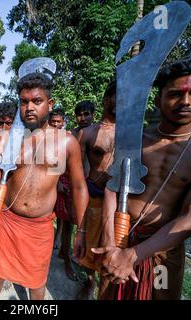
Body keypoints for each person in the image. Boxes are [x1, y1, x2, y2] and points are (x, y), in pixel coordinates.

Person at [94, 56, 191, 300]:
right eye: (174, 94)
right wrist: (113, 245)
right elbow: (112, 187)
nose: (185, 101)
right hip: (119, 236)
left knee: (160, 294)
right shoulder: (133, 139)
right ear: (159, 98)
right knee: (110, 293)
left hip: (161, 251)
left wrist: (133, 255)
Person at [0, 72, 89, 300]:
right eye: (24, 102)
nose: (29, 107)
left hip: (39, 229)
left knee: (36, 286)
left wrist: (81, 232)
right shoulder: (7, 140)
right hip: (4, 222)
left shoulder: (66, 142)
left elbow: (79, 188)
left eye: (37, 101)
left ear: (49, 103)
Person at [76, 80, 116, 299]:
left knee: (112, 245)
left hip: (119, 201)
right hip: (93, 196)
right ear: (106, 99)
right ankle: (89, 281)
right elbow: (80, 175)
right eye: (119, 96)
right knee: (90, 245)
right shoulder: (88, 133)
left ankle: (105, 290)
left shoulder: (134, 133)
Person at [48, 108, 78, 282]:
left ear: (64, 122)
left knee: (67, 220)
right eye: (54, 123)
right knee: (53, 215)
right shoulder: (45, 138)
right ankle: (54, 243)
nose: (57, 125)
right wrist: (56, 180)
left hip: (68, 181)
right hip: (53, 182)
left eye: (59, 122)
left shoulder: (69, 138)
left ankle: (64, 253)